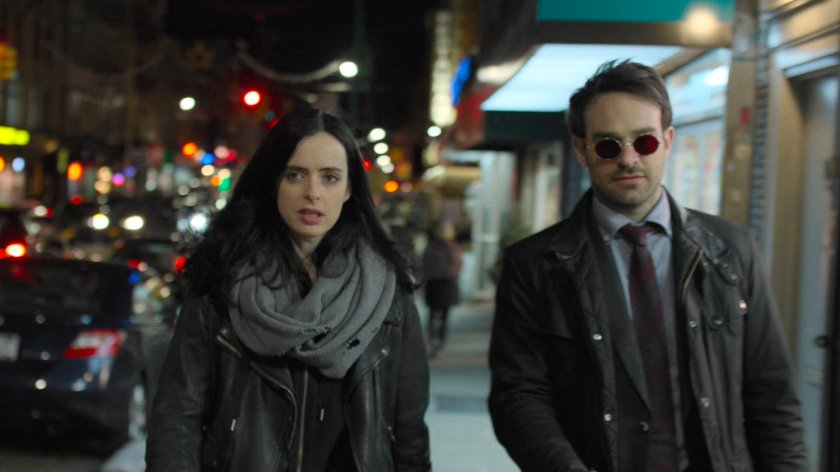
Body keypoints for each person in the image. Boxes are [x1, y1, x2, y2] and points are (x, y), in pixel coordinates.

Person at [488, 60, 805, 472]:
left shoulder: (731, 250)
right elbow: (519, 395)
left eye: (645, 142)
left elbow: (772, 395)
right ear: (581, 150)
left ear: (668, 141)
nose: (628, 158)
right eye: (607, 145)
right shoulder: (535, 265)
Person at [146, 106, 431, 471]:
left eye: (330, 178)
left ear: (348, 190)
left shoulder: (385, 292)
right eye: (296, 175)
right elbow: (177, 416)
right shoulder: (222, 280)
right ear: (273, 182)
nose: (312, 193)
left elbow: (408, 433)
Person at [421, 221, 463, 355]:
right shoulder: (454, 248)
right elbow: (458, 265)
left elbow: (424, 264)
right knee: (445, 314)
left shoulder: (431, 247)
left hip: (434, 284)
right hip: (447, 284)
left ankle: (433, 339)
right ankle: (440, 340)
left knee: (433, 313)